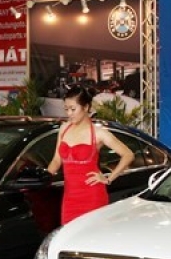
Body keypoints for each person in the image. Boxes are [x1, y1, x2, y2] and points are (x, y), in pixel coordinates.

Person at [46, 86, 135, 225]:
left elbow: (128, 155)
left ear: (86, 107)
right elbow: (56, 160)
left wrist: (108, 179)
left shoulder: (99, 133)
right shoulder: (64, 128)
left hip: (92, 197)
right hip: (69, 198)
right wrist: (44, 178)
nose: (69, 113)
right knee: (67, 236)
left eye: (73, 109)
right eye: (66, 109)